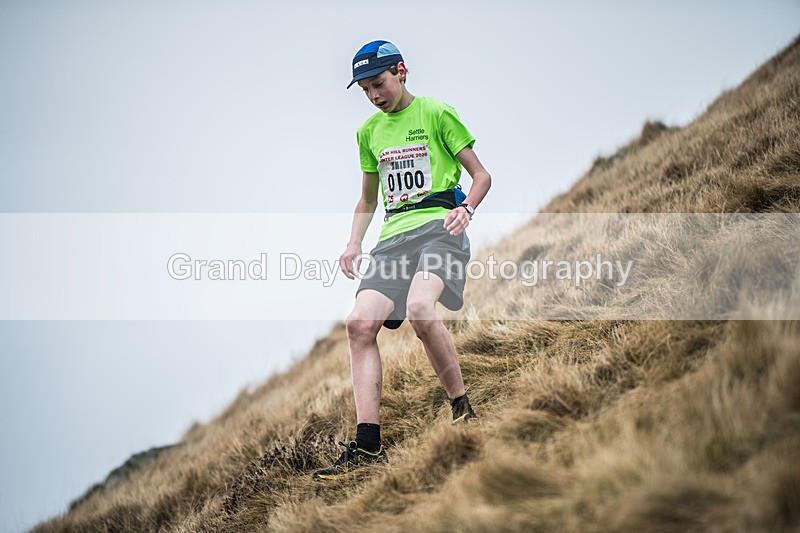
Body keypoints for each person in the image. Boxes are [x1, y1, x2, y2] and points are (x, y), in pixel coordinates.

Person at [312, 40, 491, 480]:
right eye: (366, 90)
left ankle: (462, 409)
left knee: (419, 309)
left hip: (439, 230)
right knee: (358, 325)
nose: (374, 95)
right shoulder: (368, 133)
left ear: (402, 72)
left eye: (379, 84)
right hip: (393, 241)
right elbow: (367, 199)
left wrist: (466, 209)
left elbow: (481, 175)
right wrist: (353, 243)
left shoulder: (436, 112)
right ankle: (368, 446)